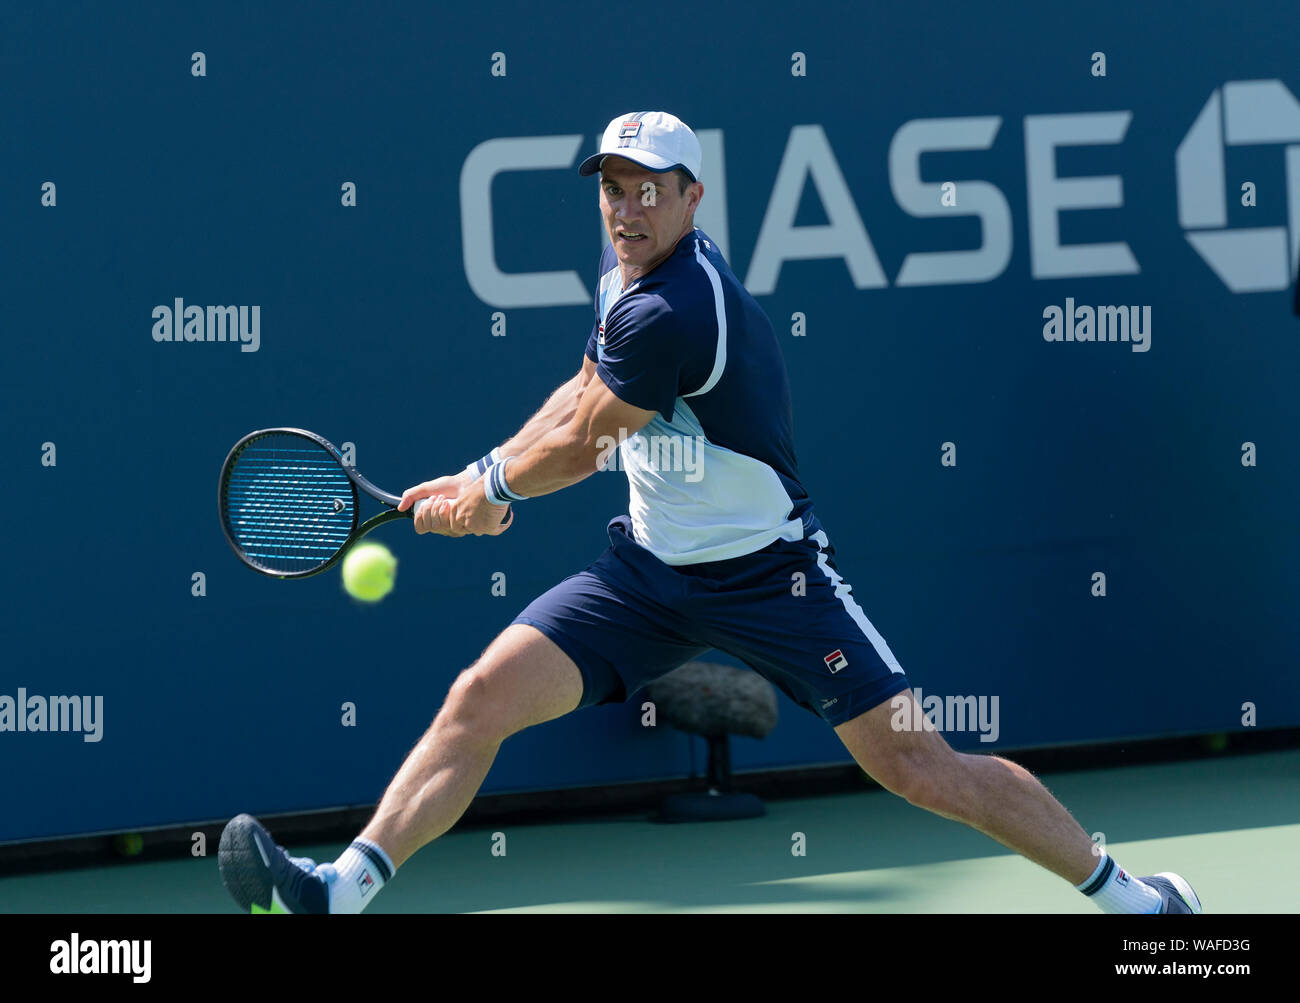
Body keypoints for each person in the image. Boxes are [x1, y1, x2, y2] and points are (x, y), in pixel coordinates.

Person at [218, 111, 1200, 915]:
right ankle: (336, 891)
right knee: (480, 697)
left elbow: (587, 439)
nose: (625, 206)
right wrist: (479, 471)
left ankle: (1138, 905)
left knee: (917, 763)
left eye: (648, 187)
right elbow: (576, 395)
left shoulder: (673, 307)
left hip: (772, 580)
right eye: (610, 186)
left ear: (692, 194)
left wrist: (496, 495)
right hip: (647, 577)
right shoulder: (624, 276)